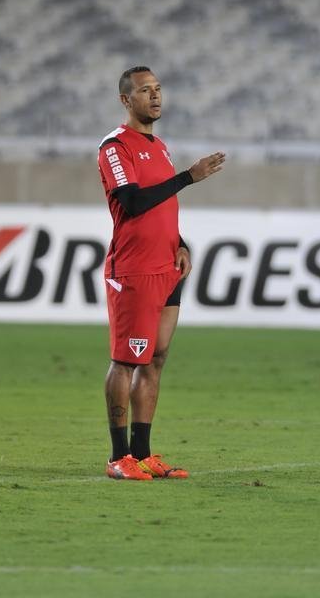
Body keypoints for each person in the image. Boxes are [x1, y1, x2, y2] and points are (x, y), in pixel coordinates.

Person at [97, 66, 225, 480]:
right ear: (125, 100)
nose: (155, 96)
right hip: (134, 269)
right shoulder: (116, 147)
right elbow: (133, 203)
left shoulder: (160, 146)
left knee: (155, 359)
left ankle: (143, 453)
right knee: (126, 361)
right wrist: (189, 177)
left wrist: (181, 242)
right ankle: (119, 457)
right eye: (144, 91)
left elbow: (162, 209)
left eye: (157, 89)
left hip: (167, 267)